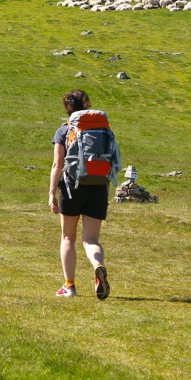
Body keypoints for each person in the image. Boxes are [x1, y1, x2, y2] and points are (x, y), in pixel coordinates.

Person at [48, 90, 118, 299]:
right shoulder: (103, 129)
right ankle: (98, 264)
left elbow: (57, 164)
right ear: (87, 104)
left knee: (68, 236)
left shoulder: (64, 130)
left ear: (67, 107)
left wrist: (52, 192)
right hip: (98, 186)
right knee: (91, 239)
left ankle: (69, 286)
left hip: (71, 188)